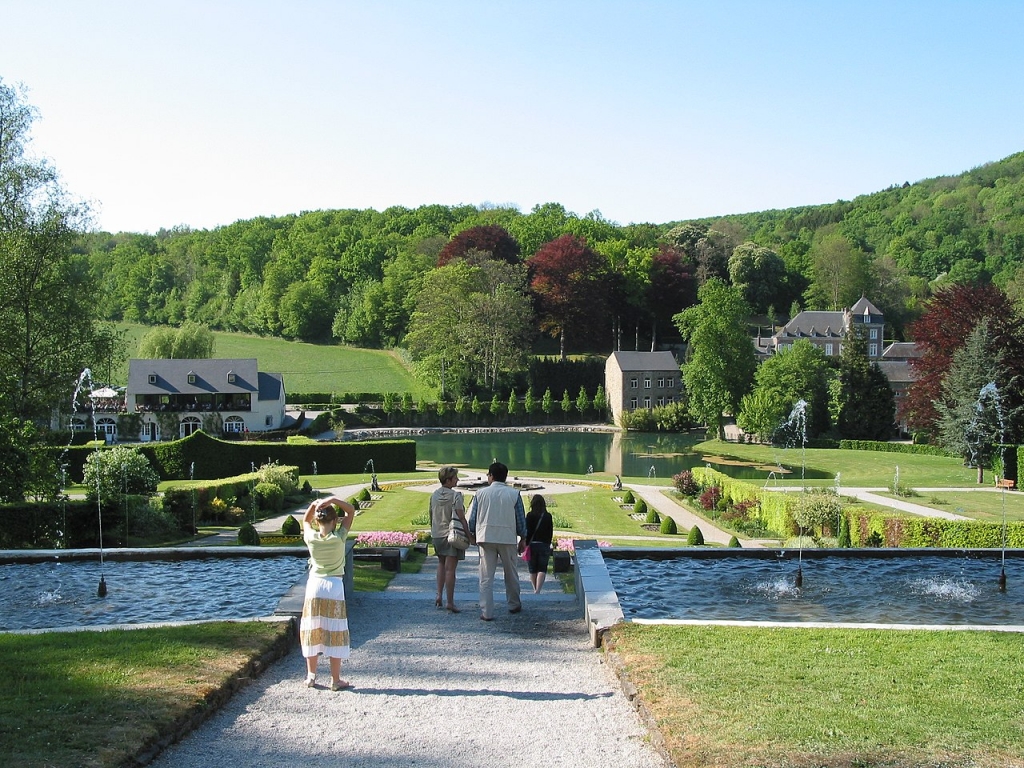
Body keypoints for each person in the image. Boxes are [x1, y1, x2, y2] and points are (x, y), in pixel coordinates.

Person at [299, 494, 356, 691]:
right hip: (334, 585)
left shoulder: (311, 538)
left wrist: (314, 504)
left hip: (314, 585)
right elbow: (351, 511)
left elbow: (305, 520)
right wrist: (333, 499)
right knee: (335, 630)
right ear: (334, 521)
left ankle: (311, 676)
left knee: (312, 629)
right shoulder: (339, 538)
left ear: (318, 520)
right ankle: (335, 679)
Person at [467, 461, 527, 621]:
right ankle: (514, 604)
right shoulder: (514, 494)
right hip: (507, 537)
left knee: (486, 577)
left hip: (486, 537)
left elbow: (472, 519)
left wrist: (472, 534)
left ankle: (487, 612)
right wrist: (523, 538)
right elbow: (520, 519)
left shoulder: (480, 494)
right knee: (511, 574)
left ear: (491, 476)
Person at [429, 465, 469, 613]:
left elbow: (431, 515)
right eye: (455, 478)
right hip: (451, 535)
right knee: (450, 569)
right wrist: (469, 535)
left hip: (437, 534)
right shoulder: (455, 496)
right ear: (449, 480)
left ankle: (439, 595)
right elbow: (461, 517)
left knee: (441, 563)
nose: (457, 480)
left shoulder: (434, 495)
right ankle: (450, 602)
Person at [524, 493, 554, 593]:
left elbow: (526, 531)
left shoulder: (529, 515)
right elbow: (550, 532)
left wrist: (526, 543)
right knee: (542, 568)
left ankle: (534, 588)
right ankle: (538, 590)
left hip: (532, 545)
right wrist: (548, 543)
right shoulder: (547, 516)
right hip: (544, 544)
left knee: (532, 569)